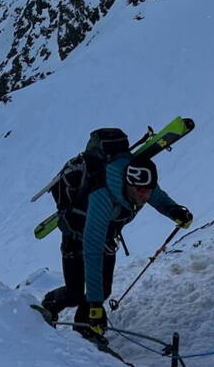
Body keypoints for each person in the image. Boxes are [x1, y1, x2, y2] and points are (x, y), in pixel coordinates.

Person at [39, 136, 193, 345]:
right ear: (129, 184)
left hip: (107, 238)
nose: (145, 196)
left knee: (104, 289)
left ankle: (84, 328)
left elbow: (158, 197)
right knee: (75, 294)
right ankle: (50, 304)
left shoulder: (141, 181)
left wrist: (174, 210)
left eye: (148, 190)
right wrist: (95, 304)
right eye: (141, 191)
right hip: (77, 236)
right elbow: (92, 250)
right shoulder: (102, 197)